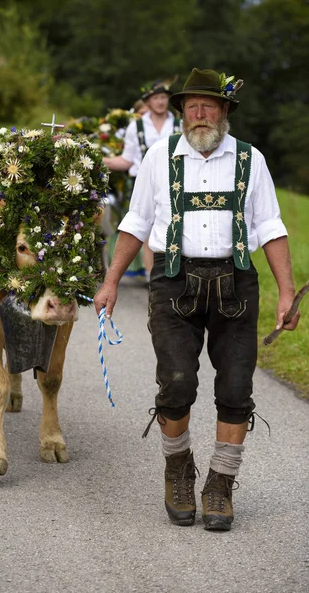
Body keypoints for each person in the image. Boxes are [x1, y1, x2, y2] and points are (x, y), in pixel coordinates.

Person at [94, 68, 300, 531]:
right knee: (177, 383)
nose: (199, 114)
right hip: (174, 279)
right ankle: (178, 471)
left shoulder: (251, 160)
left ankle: (220, 486)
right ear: (182, 112)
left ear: (225, 111)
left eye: (208, 106)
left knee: (235, 392)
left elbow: (270, 227)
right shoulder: (158, 158)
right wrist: (110, 281)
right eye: (191, 107)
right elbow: (137, 220)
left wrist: (287, 291)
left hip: (237, 285)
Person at [103, 79, 181, 281]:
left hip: (175, 181)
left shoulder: (179, 124)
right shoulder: (135, 127)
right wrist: (98, 160)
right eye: (156, 98)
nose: (161, 102)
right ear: (148, 101)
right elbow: (127, 160)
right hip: (142, 182)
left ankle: (172, 273)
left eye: (164, 97)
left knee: (172, 227)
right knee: (146, 227)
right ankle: (151, 277)